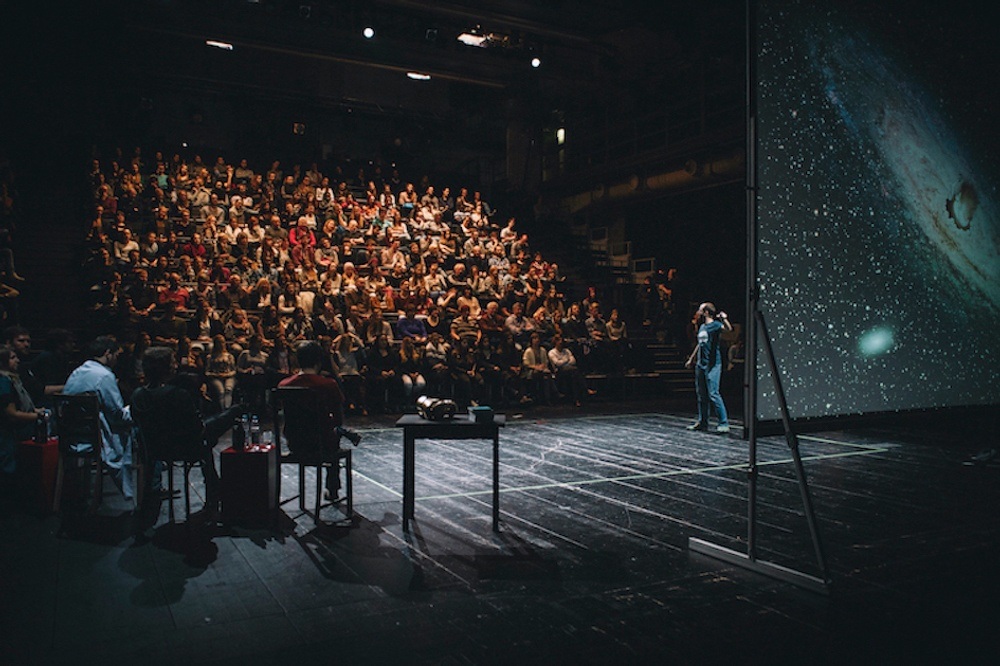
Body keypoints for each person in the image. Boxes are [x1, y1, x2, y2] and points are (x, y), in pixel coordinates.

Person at [130, 347, 241, 514]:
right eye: (173, 362)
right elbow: (196, 429)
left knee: (210, 434)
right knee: (227, 418)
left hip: (154, 450)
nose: (176, 365)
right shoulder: (177, 394)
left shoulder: (138, 395)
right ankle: (215, 489)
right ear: (166, 368)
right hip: (185, 448)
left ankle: (215, 488)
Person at [278, 341, 360, 500]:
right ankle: (332, 489)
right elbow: (338, 419)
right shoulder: (328, 384)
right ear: (319, 361)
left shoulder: (283, 384)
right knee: (334, 436)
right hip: (321, 443)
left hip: (295, 442)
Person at [62, 336, 137, 500]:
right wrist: (134, 409)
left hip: (72, 433)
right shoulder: (104, 376)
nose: (117, 360)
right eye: (116, 355)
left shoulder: (77, 371)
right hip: (95, 436)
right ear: (108, 353)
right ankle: (140, 492)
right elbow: (117, 415)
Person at [684, 302, 732, 433]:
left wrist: (724, 319)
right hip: (701, 364)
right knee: (702, 395)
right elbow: (700, 344)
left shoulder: (715, 325)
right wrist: (691, 359)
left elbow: (728, 329)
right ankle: (703, 421)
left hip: (713, 364)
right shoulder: (702, 327)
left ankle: (724, 422)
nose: (698, 312)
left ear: (706, 312)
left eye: (700, 310)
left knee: (713, 394)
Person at [0, 347, 46, 475]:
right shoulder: (3, 382)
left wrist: (35, 411)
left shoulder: (13, 379)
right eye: (12, 358)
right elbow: (12, 413)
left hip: (13, 433)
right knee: (8, 468)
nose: (18, 360)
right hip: (6, 433)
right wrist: (38, 416)